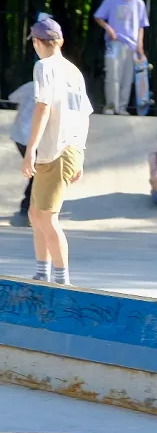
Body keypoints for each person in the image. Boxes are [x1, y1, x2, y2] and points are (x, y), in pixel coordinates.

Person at [21, 18, 93, 286]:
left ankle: (62, 281)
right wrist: (80, 153)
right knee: (35, 213)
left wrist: (29, 151)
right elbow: (85, 114)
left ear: (38, 43)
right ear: (60, 41)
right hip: (66, 149)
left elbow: (43, 107)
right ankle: (42, 272)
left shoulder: (43, 66)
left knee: (47, 217)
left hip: (56, 149)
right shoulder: (73, 70)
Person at [93, 0, 149, 115]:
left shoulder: (139, 3)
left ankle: (122, 107)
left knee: (127, 77)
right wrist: (109, 28)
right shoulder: (112, 0)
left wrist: (140, 48)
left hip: (131, 45)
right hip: (115, 43)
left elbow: (141, 26)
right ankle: (111, 106)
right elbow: (98, 16)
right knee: (113, 75)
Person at [8, 80, 37, 227]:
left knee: (36, 174)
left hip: (19, 137)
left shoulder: (30, 85)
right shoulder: (56, 87)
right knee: (39, 175)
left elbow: (12, 97)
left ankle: (29, 209)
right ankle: (27, 209)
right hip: (36, 139)